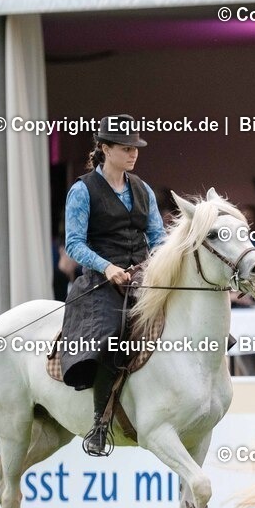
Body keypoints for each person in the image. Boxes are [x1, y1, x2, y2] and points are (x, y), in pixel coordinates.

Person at [61, 114, 165, 456]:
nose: (133, 154)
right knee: (112, 337)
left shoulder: (143, 189)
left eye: (135, 148)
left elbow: (157, 237)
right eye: (125, 148)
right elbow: (74, 244)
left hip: (141, 277)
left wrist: (161, 265)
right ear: (104, 149)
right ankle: (100, 423)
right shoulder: (82, 190)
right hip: (100, 280)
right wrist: (107, 268)